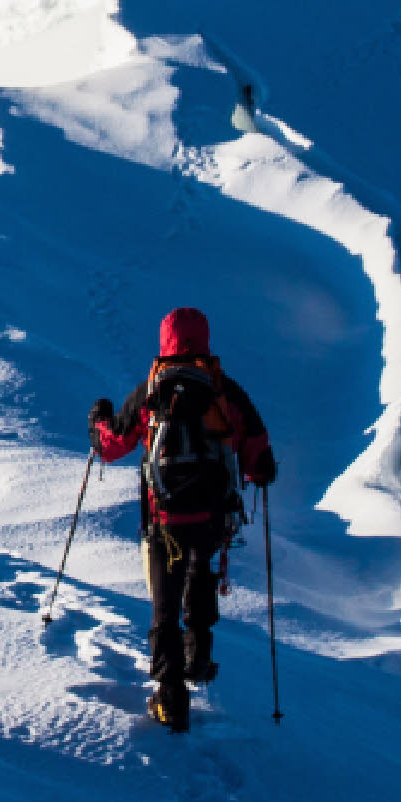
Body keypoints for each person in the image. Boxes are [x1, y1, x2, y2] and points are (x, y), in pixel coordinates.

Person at [88, 306, 276, 731]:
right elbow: (259, 458)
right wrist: (258, 471)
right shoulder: (224, 391)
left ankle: (171, 698)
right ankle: (199, 656)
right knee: (200, 571)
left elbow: (113, 444)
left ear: (164, 340)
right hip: (211, 516)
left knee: (164, 604)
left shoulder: (151, 392)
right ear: (205, 339)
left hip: (162, 518)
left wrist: (97, 421)